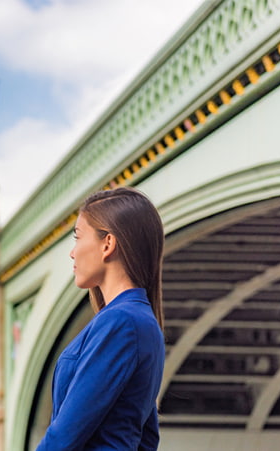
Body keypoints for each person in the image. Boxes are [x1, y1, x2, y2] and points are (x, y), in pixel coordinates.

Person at [36, 187, 166, 451]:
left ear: (107, 244)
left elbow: (63, 435)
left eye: (78, 237)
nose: (72, 253)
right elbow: (147, 437)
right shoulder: (142, 321)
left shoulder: (120, 323)